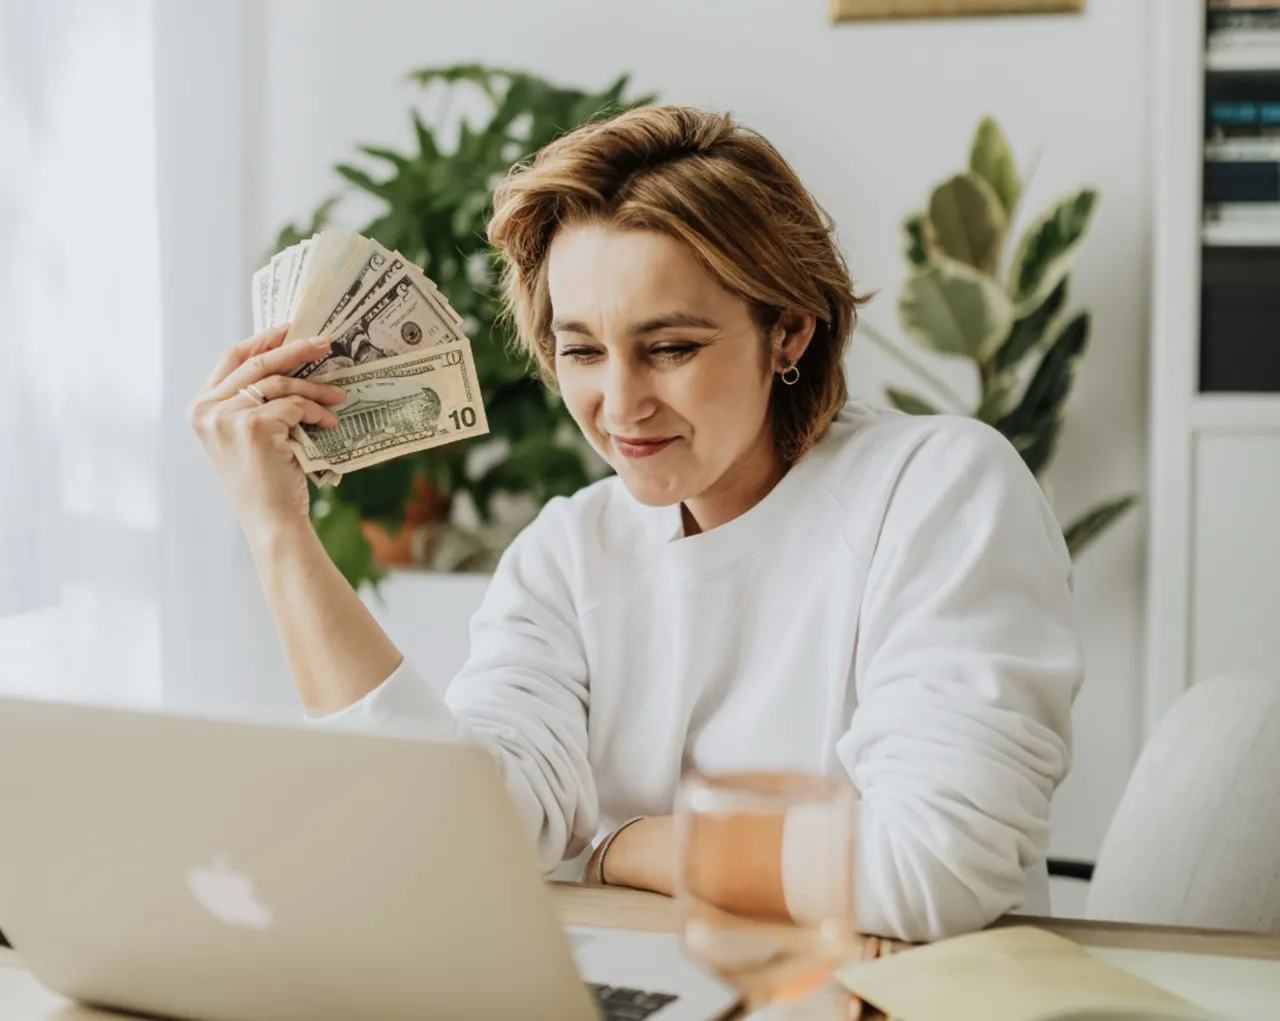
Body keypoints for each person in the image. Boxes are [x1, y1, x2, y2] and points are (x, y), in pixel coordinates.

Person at [189, 106, 1082, 942]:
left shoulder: (939, 490)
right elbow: (449, 831)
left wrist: (626, 847)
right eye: (581, 349)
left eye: (672, 348)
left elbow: (930, 867)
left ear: (791, 333)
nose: (620, 405)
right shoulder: (569, 552)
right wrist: (277, 530)